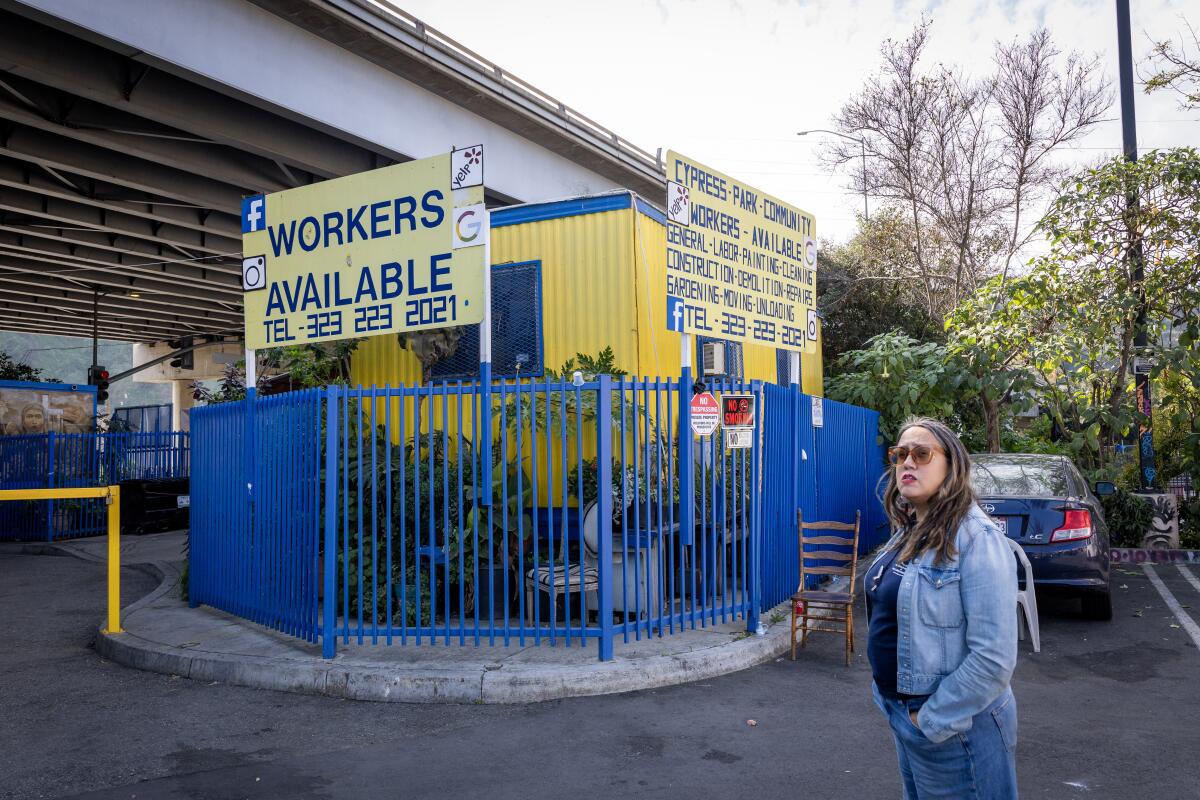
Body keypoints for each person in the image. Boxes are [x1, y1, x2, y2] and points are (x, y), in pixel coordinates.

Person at [865, 417, 1019, 799]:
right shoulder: (911, 530)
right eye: (899, 454)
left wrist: (928, 720)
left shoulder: (977, 539)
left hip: (954, 728)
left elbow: (994, 659)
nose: (907, 463)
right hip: (908, 716)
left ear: (952, 465)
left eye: (921, 453)